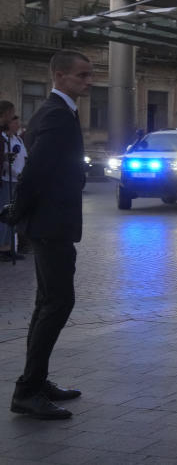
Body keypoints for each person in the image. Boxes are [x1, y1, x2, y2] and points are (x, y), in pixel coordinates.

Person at [8, 50, 92, 420]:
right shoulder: (57, 115)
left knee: (48, 303)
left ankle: (35, 382)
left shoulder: (56, 111)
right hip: (50, 224)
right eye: (82, 76)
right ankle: (27, 390)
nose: (88, 82)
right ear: (60, 76)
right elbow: (36, 172)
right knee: (57, 303)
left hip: (49, 223)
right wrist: (17, 214)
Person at [1, 107, 27, 262]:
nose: (18, 125)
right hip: (8, 181)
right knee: (5, 214)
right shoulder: (4, 139)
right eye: (15, 122)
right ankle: (2, 247)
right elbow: (5, 162)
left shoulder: (18, 139)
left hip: (19, 181)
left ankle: (10, 246)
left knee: (13, 215)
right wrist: (17, 174)